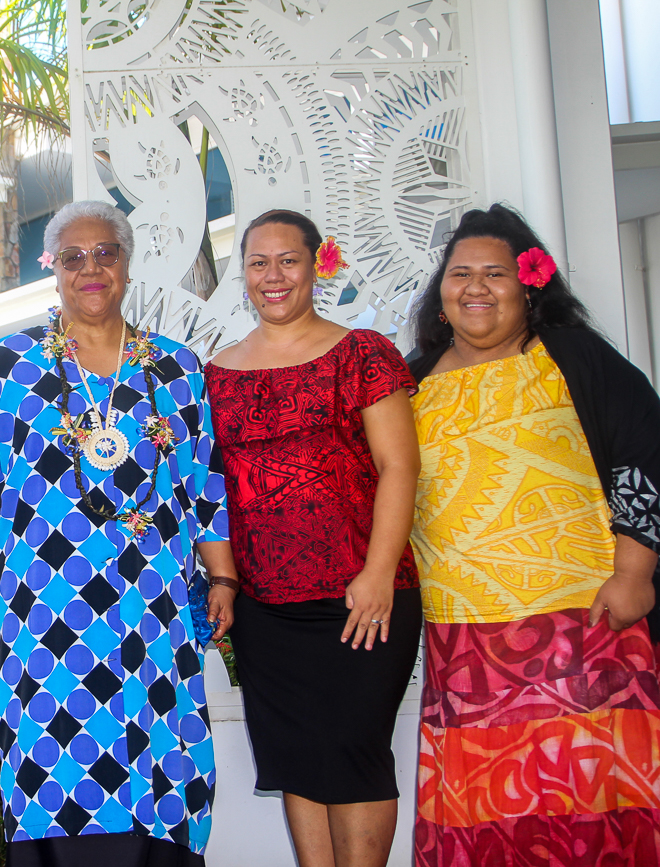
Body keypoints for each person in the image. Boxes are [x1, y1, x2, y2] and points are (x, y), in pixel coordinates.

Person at [0, 200, 235, 867]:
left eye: (105, 253)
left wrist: (222, 575)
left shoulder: (175, 366)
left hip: (155, 601)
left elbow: (203, 482)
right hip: (48, 604)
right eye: (73, 257)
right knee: (54, 748)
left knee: (162, 744)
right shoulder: (9, 364)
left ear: (126, 265)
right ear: (52, 269)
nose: (91, 268)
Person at [407, 203, 660, 865]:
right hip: (466, 645)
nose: (476, 287)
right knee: (490, 820)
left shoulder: (573, 358)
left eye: (495, 274)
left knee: (590, 809)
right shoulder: (410, 383)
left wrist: (634, 572)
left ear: (529, 287)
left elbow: (645, 451)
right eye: (461, 273)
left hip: (586, 629)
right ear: (441, 292)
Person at [204, 209, 423, 867]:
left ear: (316, 266)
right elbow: (209, 492)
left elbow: (399, 466)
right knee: (296, 758)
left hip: (361, 595)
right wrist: (225, 582)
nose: (273, 276)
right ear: (243, 274)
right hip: (266, 609)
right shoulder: (214, 374)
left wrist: (378, 572)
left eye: (288, 260)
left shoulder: (362, 353)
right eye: (258, 262)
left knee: (354, 754)